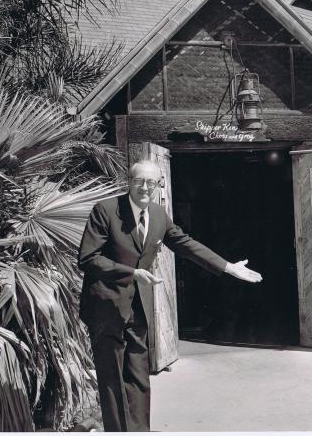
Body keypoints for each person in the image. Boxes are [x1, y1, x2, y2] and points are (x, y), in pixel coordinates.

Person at [78, 160, 262, 432]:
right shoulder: (105, 210)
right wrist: (131, 273)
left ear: (158, 185)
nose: (145, 187)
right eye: (139, 181)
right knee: (112, 378)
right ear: (129, 181)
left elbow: (186, 244)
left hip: (137, 306)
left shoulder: (158, 214)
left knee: (139, 376)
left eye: (151, 182)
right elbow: (88, 258)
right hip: (105, 306)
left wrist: (227, 267)